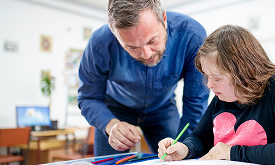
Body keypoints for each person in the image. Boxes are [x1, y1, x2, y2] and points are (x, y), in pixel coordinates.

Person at [157, 25, 275, 165]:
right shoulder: (223, 97)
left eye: (217, 78)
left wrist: (233, 152)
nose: (209, 85)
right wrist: (185, 148)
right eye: (207, 77)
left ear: (246, 71)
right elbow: (201, 137)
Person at [77, 0, 209, 156]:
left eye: (152, 41)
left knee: (179, 156)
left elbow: (195, 102)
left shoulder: (192, 37)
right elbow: (88, 98)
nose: (147, 55)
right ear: (115, 36)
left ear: (164, 19)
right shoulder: (99, 45)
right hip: (115, 109)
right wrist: (109, 124)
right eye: (132, 47)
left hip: (163, 108)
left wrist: (186, 147)